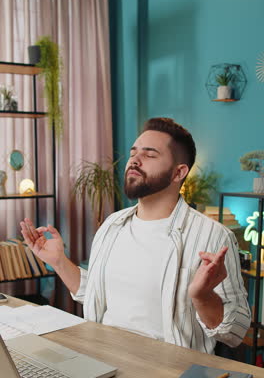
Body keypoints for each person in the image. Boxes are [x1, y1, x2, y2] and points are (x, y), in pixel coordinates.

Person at [20, 117, 251, 354]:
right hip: (102, 359)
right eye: (133, 153)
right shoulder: (112, 225)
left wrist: (202, 297)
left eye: (149, 155)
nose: (134, 161)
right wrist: (58, 260)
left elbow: (235, 332)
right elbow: (95, 295)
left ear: (178, 172)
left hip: (173, 374)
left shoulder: (213, 236)